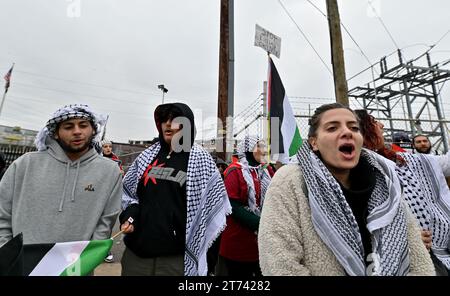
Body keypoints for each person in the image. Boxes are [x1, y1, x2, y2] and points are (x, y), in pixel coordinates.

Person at [258, 103, 434, 276]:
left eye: (354, 128)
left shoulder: (384, 182)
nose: (347, 132)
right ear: (314, 143)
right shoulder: (290, 181)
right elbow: (280, 263)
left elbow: (419, 260)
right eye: (332, 128)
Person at [120, 102, 231, 276]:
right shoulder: (147, 156)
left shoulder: (201, 160)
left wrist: (208, 260)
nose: (170, 129)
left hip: (177, 259)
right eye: (166, 125)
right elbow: (130, 195)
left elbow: (211, 209)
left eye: (176, 124)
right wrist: (129, 216)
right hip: (137, 255)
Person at [0, 104, 122, 248]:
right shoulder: (25, 164)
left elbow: (106, 221)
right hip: (21, 262)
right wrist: (7, 252)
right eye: (68, 127)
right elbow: (3, 213)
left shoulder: (110, 170)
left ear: (93, 129)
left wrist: (87, 257)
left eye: (83, 125)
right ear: (56, 133)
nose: (77, 132)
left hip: (76, 265)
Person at [355, 109, 450, 276]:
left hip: (431, 248)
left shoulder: (400, 160)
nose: (382, 125)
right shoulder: (360, 169)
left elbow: (445, 164)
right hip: (398, 255)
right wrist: (409, 237)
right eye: (374, 122)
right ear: (364, 129)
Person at [219, 136, 273, 276]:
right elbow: (232, 205)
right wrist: (259, 223)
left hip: (261, 245)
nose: (264, 150)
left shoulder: (266, 171)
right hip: (238, 243)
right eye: (260, 146)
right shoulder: (234, 171)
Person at [99, 139, 123, 263]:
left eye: (110, 146)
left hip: (110, 196)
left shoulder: (116, 160)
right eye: (105, 146)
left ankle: (104, 251)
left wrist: (120, 174)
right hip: (96, 195)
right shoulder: (95, 159)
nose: (108, 149)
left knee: (106, 224)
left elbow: (119, 178)